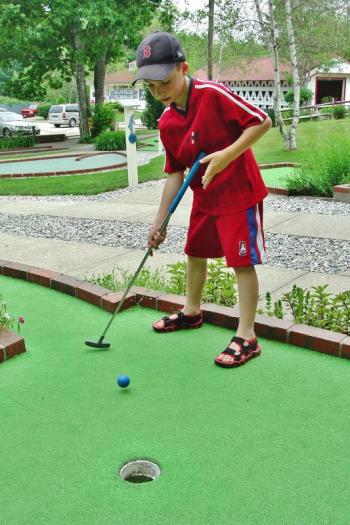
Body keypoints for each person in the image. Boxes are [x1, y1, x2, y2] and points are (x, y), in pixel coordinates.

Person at [133, 31, 272, 368]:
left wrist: (226, 155)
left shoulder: (212, 94)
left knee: (241, 262)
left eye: (164, 82)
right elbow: (174, 174)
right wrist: (159, 222)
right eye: (151, 87)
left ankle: (247, 336)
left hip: (239, 193)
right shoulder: (166, 122)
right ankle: (192, 311)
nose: (158, 92)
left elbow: (261, 122)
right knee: (195, 252)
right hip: (205, 198)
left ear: (184, 68)